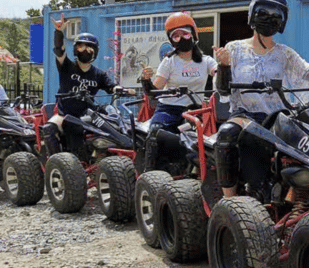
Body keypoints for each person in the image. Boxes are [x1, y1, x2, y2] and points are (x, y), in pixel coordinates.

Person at [213, 0, 309, 199]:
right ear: (253, 15)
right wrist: (224, 66)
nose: (270, 19)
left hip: (278, 118)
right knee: (225, 134)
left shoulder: (284, 53)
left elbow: (307, 70)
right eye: (264, 13)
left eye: (276, 15)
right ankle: (229, 199)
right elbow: (222, 89)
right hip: (245, 115)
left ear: (283, 21)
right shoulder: (234, 49)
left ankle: (299, 194)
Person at [43, 14, 135, 157]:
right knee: (49, 128)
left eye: (89, 48)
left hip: (89, 115)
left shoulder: (98, 74)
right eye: (81, 46)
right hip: (65, 114)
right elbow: (59, 50)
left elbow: (111, 86)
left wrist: (121, 90)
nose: (85, 50)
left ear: (95, 51)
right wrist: (59, 32)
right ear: (75, 49)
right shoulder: (67, 67)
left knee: (114, 128)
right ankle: (56, 162)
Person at [140, 11, 218, 171]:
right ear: (171, 40)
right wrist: (146, 80)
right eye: (176, 36)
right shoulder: (169, 62)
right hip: (168, 109)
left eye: (185, 34)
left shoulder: (206, 61)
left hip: (193, 111)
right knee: (154, 133)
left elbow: (220, 76)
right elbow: (155, 91)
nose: (181, 39)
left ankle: (190, 173)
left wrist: (225, 64)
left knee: (195, 142)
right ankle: (149, 176)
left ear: (194, 34)